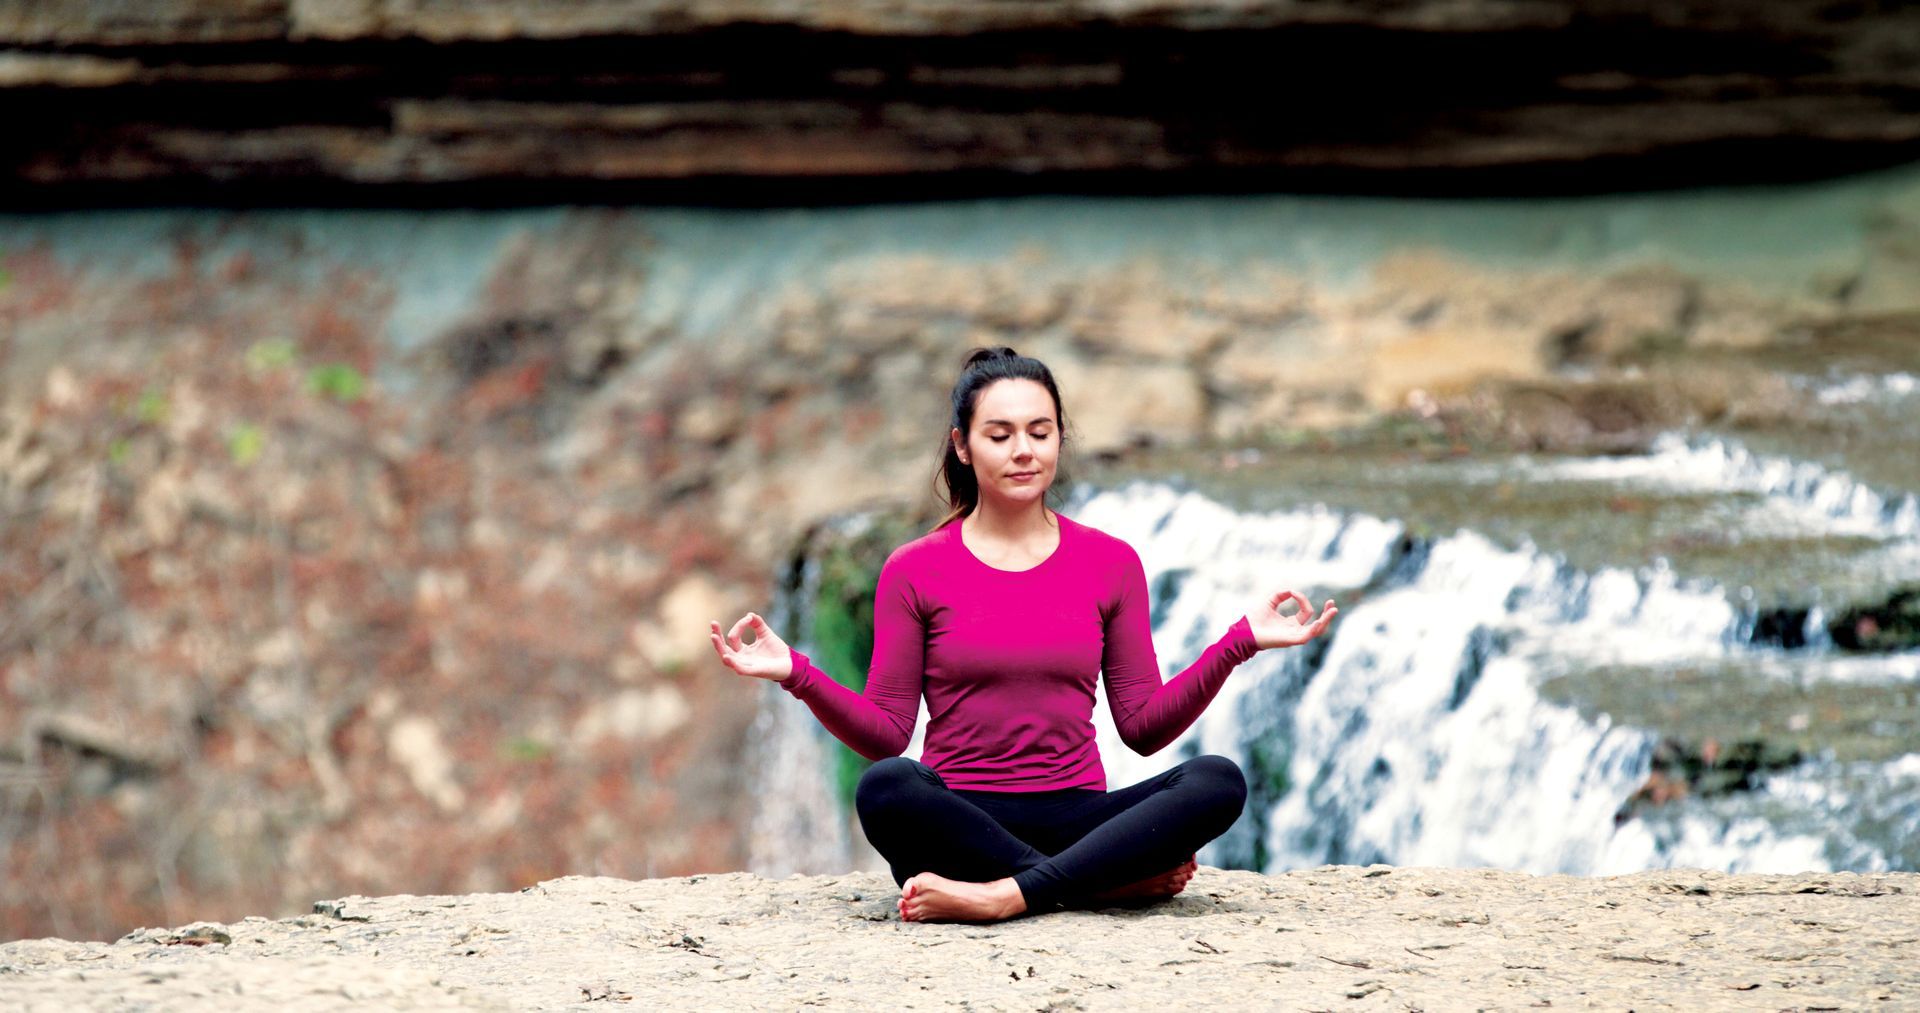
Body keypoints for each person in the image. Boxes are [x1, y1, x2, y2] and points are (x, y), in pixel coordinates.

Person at [710, 346, 1337, 923]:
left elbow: (1145, 729)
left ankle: (1009, 895)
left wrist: (1238, 644)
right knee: (886, 787)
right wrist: (796, 672)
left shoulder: (1110, 563)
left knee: (1217, 780)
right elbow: (886, 735)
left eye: (1040, 432)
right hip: (958, 826)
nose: (1024, 451)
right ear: (962, 446)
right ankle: (1098, 886)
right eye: (1000, 434)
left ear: (1060, 438)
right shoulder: (915, 568)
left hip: (1080, 821)